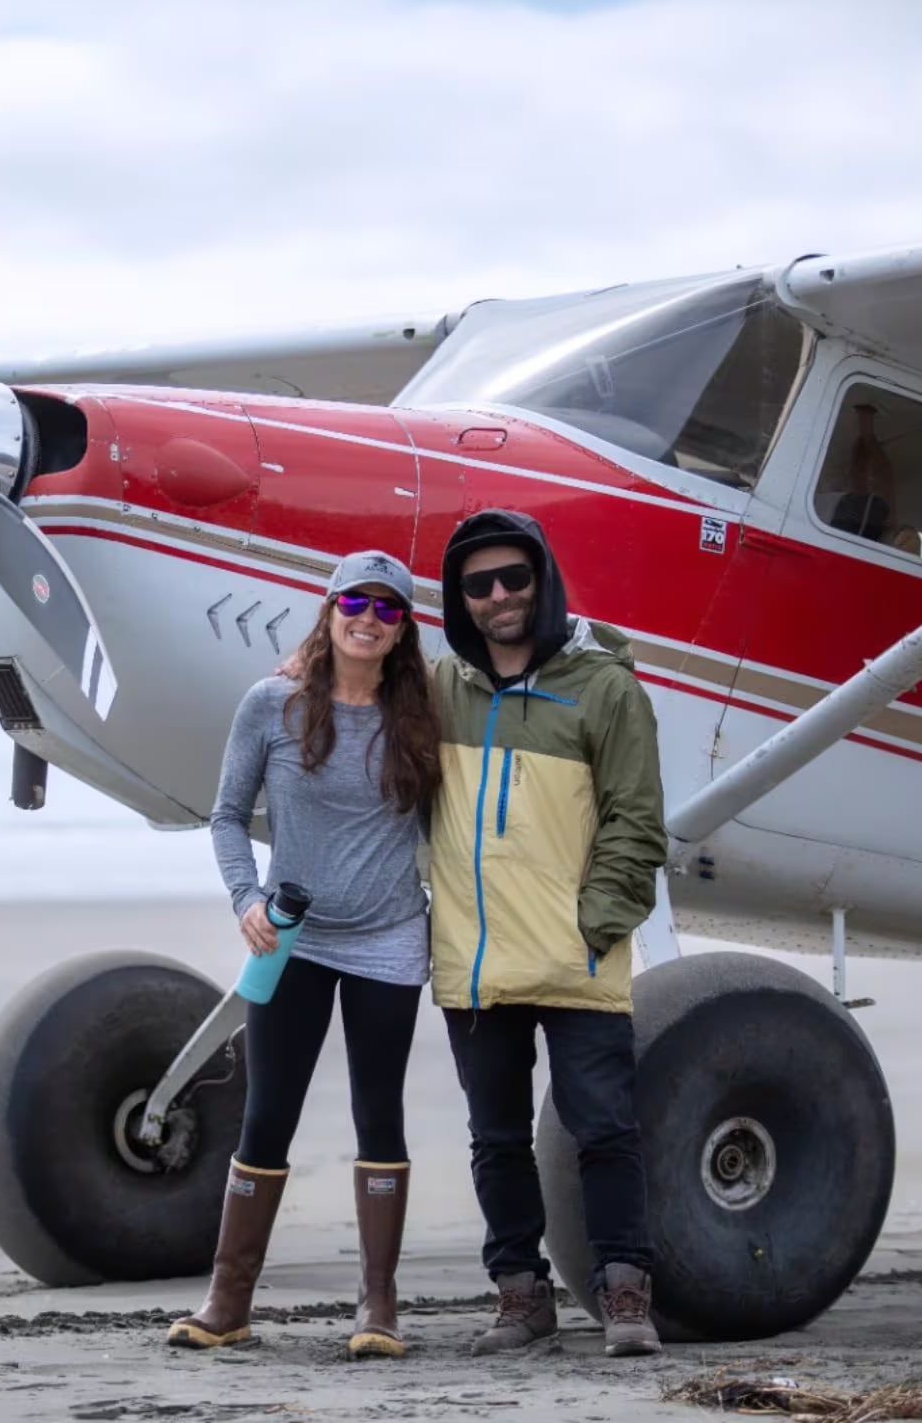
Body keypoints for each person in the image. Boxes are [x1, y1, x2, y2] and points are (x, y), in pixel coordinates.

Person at [167, 550, 440, 1359]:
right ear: (327, 611)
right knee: (268, 1111)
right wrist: (246, 900)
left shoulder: (422, 718)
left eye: (387, 609)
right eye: (354, 601)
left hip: (390, 942)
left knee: (377, 1111)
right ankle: (229, 1299)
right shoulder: (271, 704)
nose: (368, 617)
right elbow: (225, 817)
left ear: (401, 631)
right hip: (293, 941)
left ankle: (379, 1304)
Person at [428, 508, 667, 1358]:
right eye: (479, 584)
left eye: (514, 579)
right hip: (476, 962)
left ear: (543, 582)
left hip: (578, 959)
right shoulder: (438, 690)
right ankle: (521, 1296)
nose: (499, 596)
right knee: (495, 1140)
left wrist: (597, 923)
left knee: (603, 1130)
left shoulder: (605, 690)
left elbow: (636, 823)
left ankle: (626, 1293)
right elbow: (355, 722)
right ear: (461, 599)